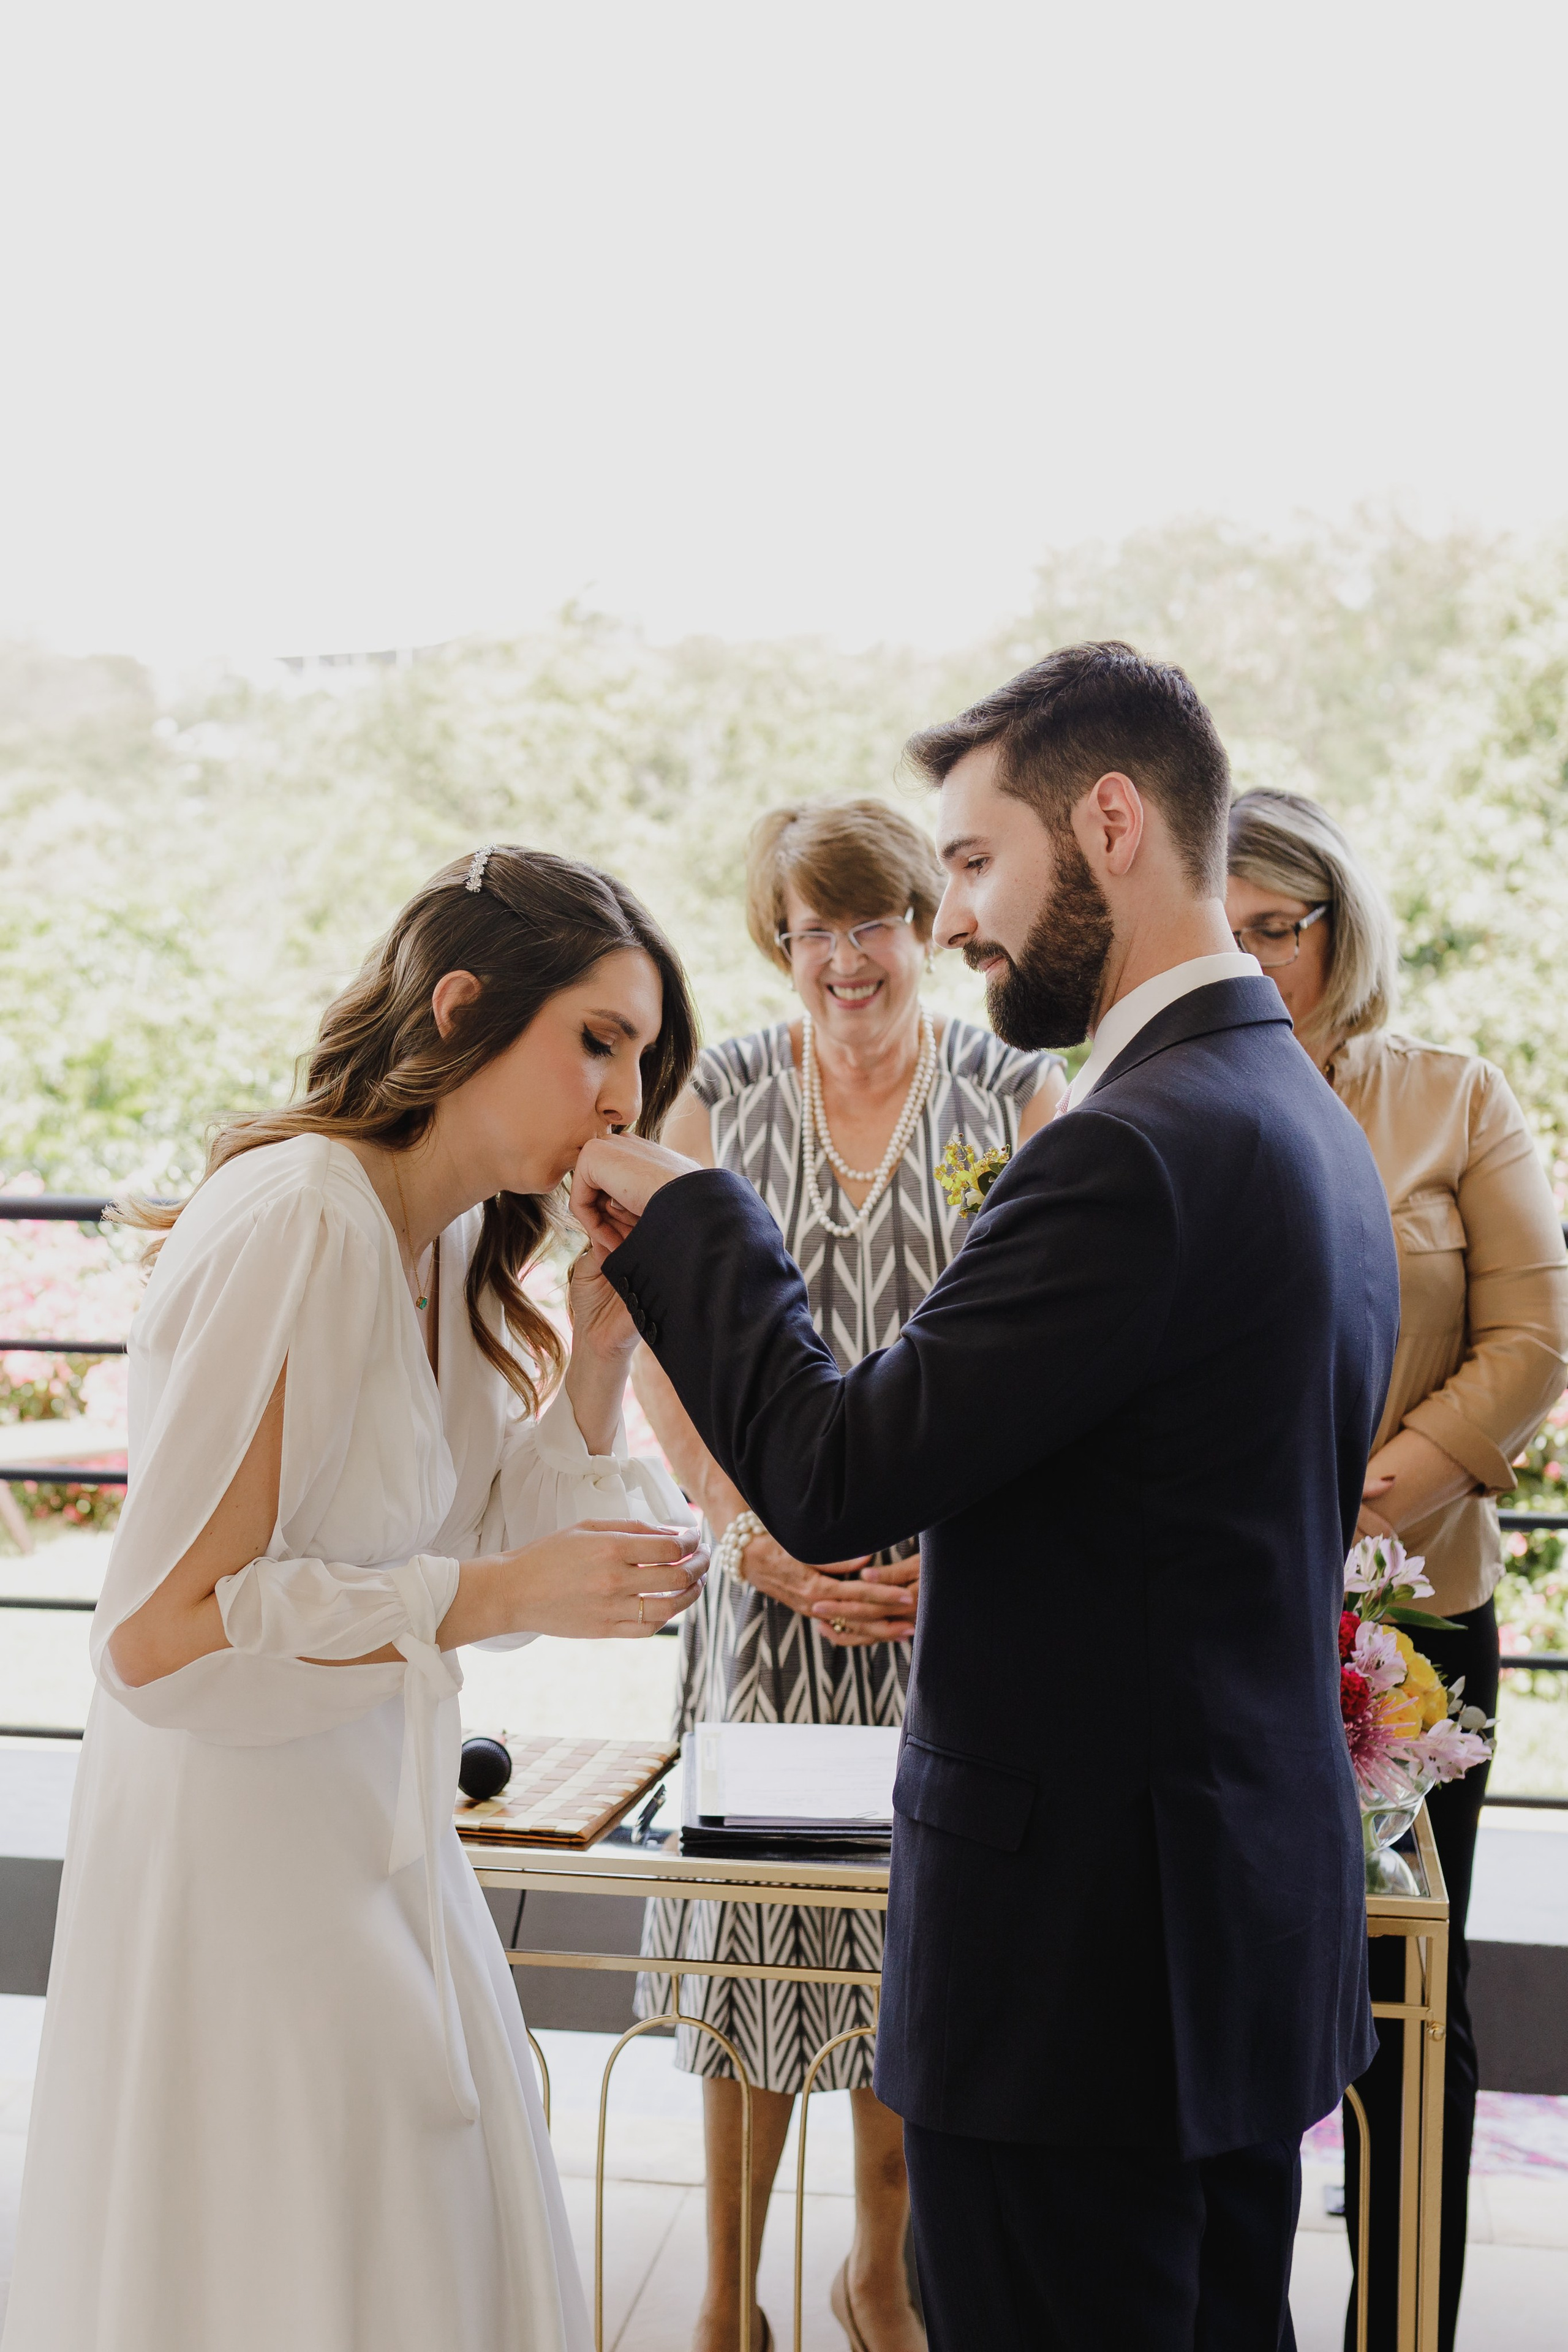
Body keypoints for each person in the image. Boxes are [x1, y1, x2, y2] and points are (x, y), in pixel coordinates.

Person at [570, 642, 1404, 2352]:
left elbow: (837, 1468)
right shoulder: (1294, 1115)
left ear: (1108, 823)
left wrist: (687, 1222)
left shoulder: (1127, 1145)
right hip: (1229, 1945)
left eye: (970, 864)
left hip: (1087, 1985)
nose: (952, 922)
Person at [2, 847, 709, 2352]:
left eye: (641, 1061)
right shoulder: (300, 1222)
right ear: (460, 1007)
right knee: (306, 2246)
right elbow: (165, 1632)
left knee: (411, 2231)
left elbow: (445, 1532)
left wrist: (593, 1354)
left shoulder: (441, 1237)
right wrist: (490, 1592)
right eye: (596, 1039)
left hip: (363, 1825)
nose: (622, 1101)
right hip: (249, 1851)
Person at [633, 797, 1064, 2352]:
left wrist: (965, 1559)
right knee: (750, 1946)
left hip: (942, 1606)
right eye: (811, 930)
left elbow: (1050, 1360)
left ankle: (875, 2274)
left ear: (917, 926)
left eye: (871, 921)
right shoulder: (716, 1092)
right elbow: (661, 1355)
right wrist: (751, 1541)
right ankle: (722, 2295)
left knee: (910, 1956)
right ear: (782, 942)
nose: (843, 958)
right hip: (763, 1603)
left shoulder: (1016, 1094)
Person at [1226, 787, 1568, 2352]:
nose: (1247, 962)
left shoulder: (1452, 1097)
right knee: (1221, 1989)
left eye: (1273, 930)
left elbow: (1533, 1339)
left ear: (1335, 929)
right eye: (1215, 932)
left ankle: (1399, 2325)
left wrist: (1366, 1497)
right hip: (1211, 1621)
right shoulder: (1147, 1098)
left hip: (1409, 1620)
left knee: (1405, 2005)